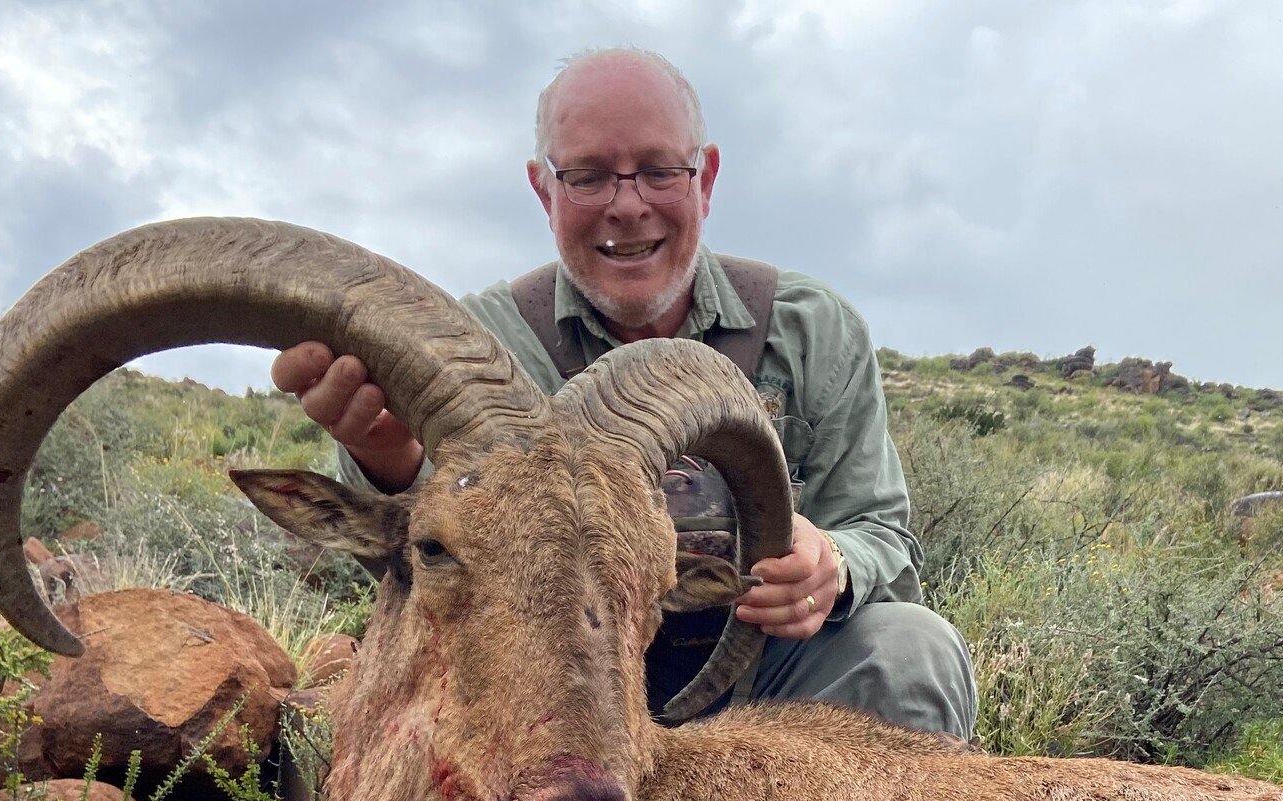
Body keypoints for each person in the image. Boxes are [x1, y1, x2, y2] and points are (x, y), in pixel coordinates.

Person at [272, 47, 977, 740]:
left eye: (659, 170)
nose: (627, 206)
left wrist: (834, 563)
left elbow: (884, 532)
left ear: (705, 178)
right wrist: (386, 458)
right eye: (589, 176)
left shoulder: (810, 329)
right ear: (544, 190)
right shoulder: (472, 344)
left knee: (912, 653)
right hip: (543, 680)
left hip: (766, 686)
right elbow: (411, 564)